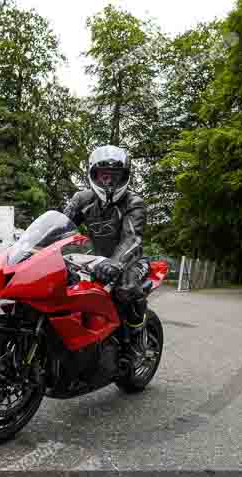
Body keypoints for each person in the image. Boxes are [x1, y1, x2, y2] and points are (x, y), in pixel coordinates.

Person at [63, 145, 149, 364]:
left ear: (125, 176)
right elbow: (60, 227)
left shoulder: (134, 203)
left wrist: (115, 262)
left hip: (130, 260)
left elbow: (132, 239)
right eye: (104, 175)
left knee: (125, 288)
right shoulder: (81, 199)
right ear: (94, 175)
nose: (109, 182)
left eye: (115, 176)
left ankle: (136, 339)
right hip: (95, 260)